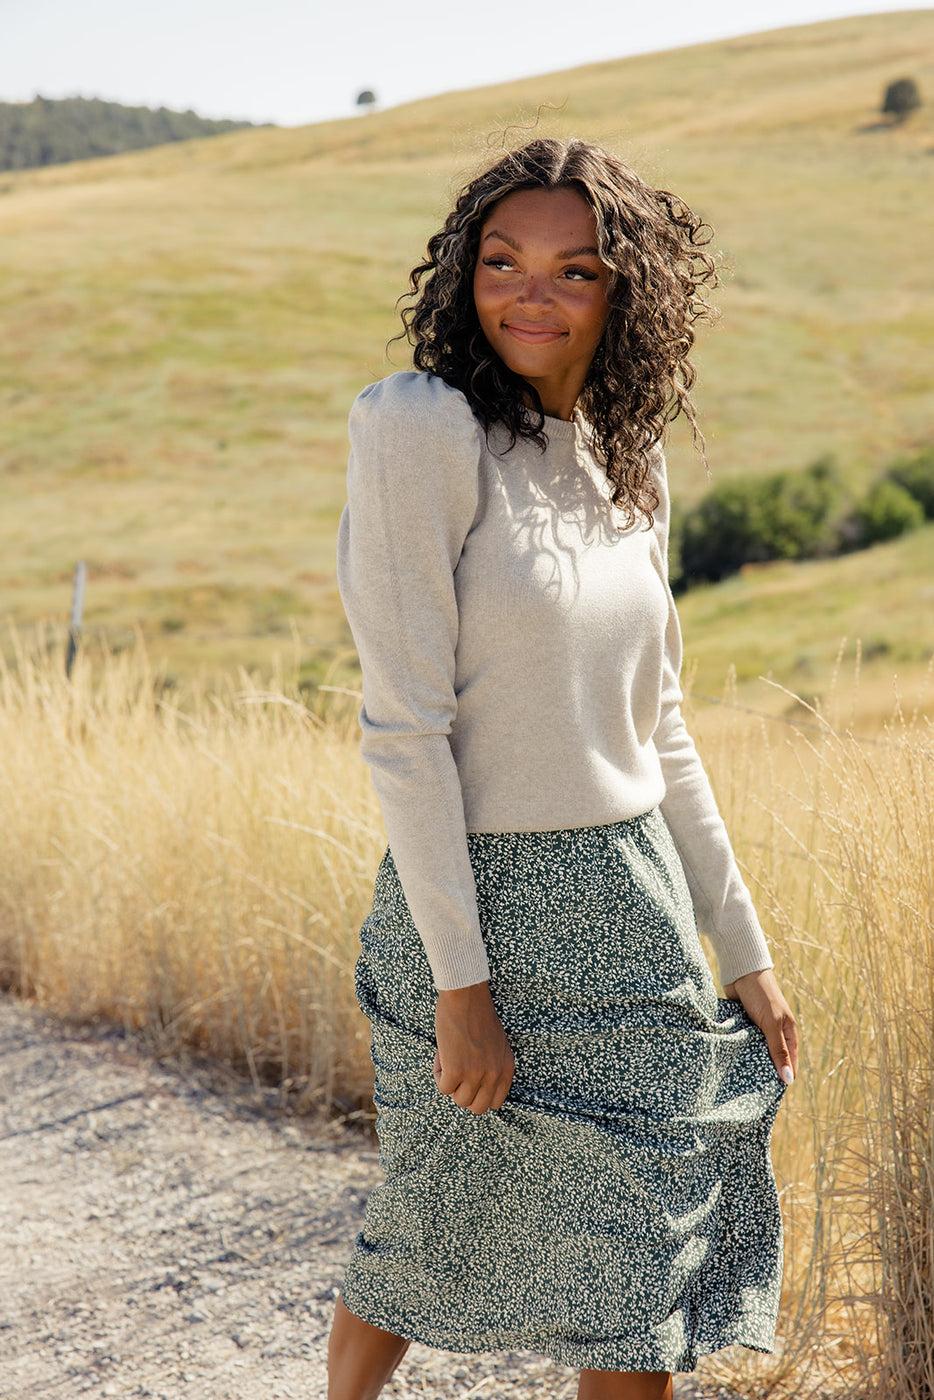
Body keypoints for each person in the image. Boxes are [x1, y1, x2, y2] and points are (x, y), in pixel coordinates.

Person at [329, 137, 798, 1400]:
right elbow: (403, 725)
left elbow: (666, 727)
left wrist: (740, 947)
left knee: (645, 1255)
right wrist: (458, 982)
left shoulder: (625, 467)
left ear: (620, 292)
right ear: (463, 275)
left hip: (632, 908)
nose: (529, 294)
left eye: (573, 270)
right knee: (432, 1221)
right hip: (473, 902)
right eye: (501, 262)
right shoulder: (421, 429)